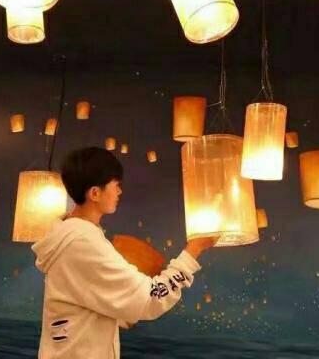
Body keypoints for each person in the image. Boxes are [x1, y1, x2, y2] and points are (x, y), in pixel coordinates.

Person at [31, 146, 218, 359]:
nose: (119, 192)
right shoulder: (82, 241)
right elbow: (150, 299)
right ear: (95, 193)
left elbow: (88, 307)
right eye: (116, 185)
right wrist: (194, 249)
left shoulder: (74, 236)